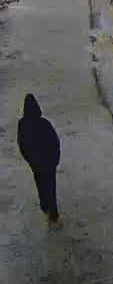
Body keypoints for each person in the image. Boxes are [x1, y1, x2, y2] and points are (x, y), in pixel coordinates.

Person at [18, 94, 61, 229]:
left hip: (36, 165)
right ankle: (53, 218)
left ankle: (46, 208)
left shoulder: (22, 124)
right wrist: (55, 160)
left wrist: (31, 161)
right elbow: (55, 143)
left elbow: (22, 145)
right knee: (50, 188)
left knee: (41, 186)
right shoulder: (44, 123)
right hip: (48, 163)